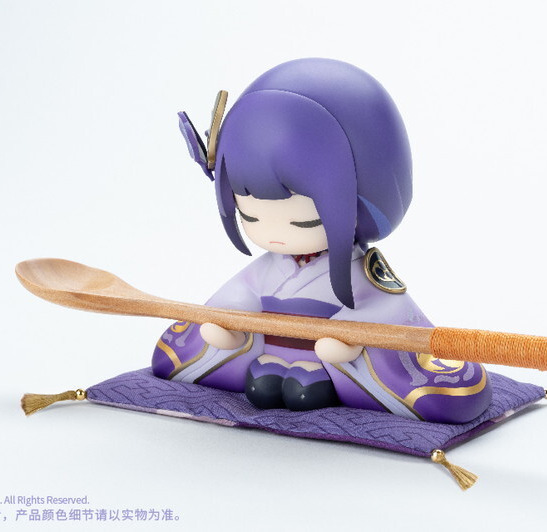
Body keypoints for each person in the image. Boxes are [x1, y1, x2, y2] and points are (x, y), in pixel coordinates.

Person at [152, 58, 491, 423]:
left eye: (303, 220)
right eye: (250, 216)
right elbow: (240, 295)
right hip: (268, 351)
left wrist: (350, 335)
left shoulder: (361, 270)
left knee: (313, 389)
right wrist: (231, 325)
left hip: (331, 358)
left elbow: (390, 309)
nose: (275, 232)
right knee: (254, 383)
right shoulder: (268, 269)